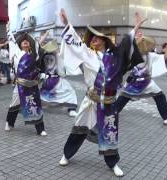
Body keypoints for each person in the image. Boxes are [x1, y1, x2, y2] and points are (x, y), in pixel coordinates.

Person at [57, 9, 146, 177]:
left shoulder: (115, 55)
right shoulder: (88, 54)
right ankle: (66, 154)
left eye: (97, 37)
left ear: (104, 40)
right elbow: (74, 42)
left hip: (109, 101)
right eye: (92, 38)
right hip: (91, 101)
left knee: (109, 132)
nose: (94, 39)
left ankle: (113, 163)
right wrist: (66, 23)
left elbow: (127, 42)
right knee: (78, 127)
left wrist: (138, 25)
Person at [115, 36, 167, 126]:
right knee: (123, 98)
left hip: (147, 82)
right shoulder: (133, 54)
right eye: (151, 45)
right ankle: (111, 114)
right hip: (133, 83)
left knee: (160, 96)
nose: (152, 47)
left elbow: (164, 57)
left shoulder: (150, 55)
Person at [4, 22, 47, 136]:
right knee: (14, 104)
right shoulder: (17, 53)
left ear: (30, 44)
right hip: (20, 84)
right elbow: (12, 41)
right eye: (23, 41)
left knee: (35, 104)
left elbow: (40, 64)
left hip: (32, 85)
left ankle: (40, 129)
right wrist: (8, 29)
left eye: (27, 41)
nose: (25, 42)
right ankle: (9, 122)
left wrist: (42, 74)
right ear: (20, 44)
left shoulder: (34, 55)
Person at [38, 33, 78, 117]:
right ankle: (71, 109)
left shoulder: (45, 55)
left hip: (47, 80)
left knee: (42, 94)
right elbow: (61, 70)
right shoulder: (55, 55)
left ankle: (35, 105)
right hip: (55, 80)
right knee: (70, 91)